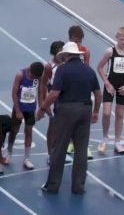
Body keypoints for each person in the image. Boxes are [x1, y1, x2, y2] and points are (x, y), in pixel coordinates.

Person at [36, 41, 102, 194]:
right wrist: (96, 112)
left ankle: (52, 186)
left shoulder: (62, 70)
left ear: (66, 55)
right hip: (85, 110)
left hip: (66, 110)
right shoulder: (89, 71)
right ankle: (78, 186)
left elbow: (54, 93)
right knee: (81, 150)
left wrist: (42, 109)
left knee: (59, 149)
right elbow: (98, 95)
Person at [97, 27, 124, 154]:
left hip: (123, 87)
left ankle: (117, 141)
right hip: (110, 85)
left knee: (120, 114)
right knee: (106, 113)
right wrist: (107, 83)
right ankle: (104, 138)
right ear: (117, 38)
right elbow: (100, 68)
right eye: (122, 39)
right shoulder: (110, 51)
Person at [3, 62, 44, 169]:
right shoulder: (20, 74)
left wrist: (41, 108)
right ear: (29, 70)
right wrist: (17, 110)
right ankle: (9, 153)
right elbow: (14, 93)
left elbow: (40, 93)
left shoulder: (38, 78)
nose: (32, 78)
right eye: (31, 76)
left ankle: (27, 158)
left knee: (29, 131)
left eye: (35, 77)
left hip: (30, 109)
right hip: (19, 107)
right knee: (14, 131)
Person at [39, 41, 72, 164]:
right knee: (52, 127)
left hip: (66, 99)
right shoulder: (49, 67)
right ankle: (50, 154)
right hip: (54, 100)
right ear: (54, 52)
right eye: (59, 50)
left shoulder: (67, 65)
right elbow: (42, 86)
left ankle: (61, 153)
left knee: (65, 128)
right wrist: (43, 104)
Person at [66, 25, 93, 159]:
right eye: (75, 41)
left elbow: (87, 70)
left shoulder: (86, 52)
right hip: (70, 90)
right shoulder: (65, 51)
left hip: (82, 90)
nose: (77, 44)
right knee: (71, 119)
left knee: (83, 120)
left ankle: (84, 146)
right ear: (69, 39)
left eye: (79, 41)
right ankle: (71, 142)